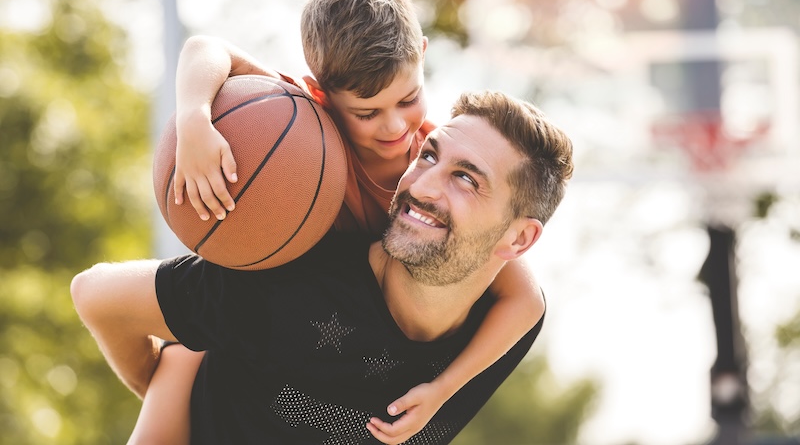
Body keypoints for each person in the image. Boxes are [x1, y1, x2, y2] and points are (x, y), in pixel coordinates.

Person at [130, 0, 544, 444]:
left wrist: (442, 390)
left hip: (331, 344)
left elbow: (526, 300)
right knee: (184, 350)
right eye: (367, 113)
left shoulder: (433, 171)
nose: (394, 126)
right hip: (255, 315)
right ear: (322, 94)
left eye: (408, 99)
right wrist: (193, 118)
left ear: (422, 55)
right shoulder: (300, 136)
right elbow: (205, 49)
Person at [71, 89, 575, 445]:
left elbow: (527, 300)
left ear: (520, 238)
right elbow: (93, 294)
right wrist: (159, 380)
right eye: (428, 155)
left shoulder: (503, 326)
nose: (422, 186)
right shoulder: (284, 285)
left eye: (466, 179)